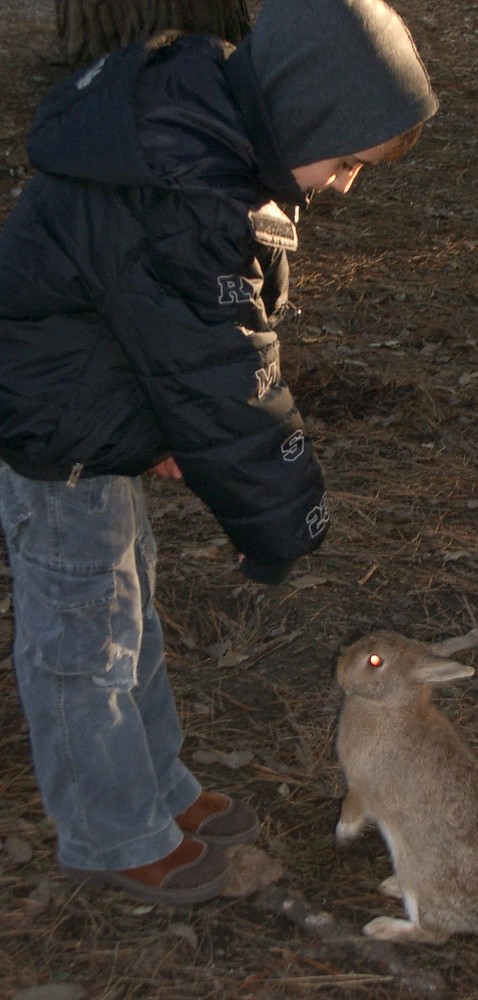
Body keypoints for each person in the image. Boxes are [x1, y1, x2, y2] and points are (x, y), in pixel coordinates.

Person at [0, 0, 438, 904]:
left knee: (129, 606)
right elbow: (223, 373)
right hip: (53, 434)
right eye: (348, 160)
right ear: (302, 114)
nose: (346, 186)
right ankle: (111, 830)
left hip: (97, 412)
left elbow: (163, 330)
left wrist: (160, 435)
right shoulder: (188, 189)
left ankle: (157, 787)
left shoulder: (206, 146)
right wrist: (284, 522)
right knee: (83, 634)